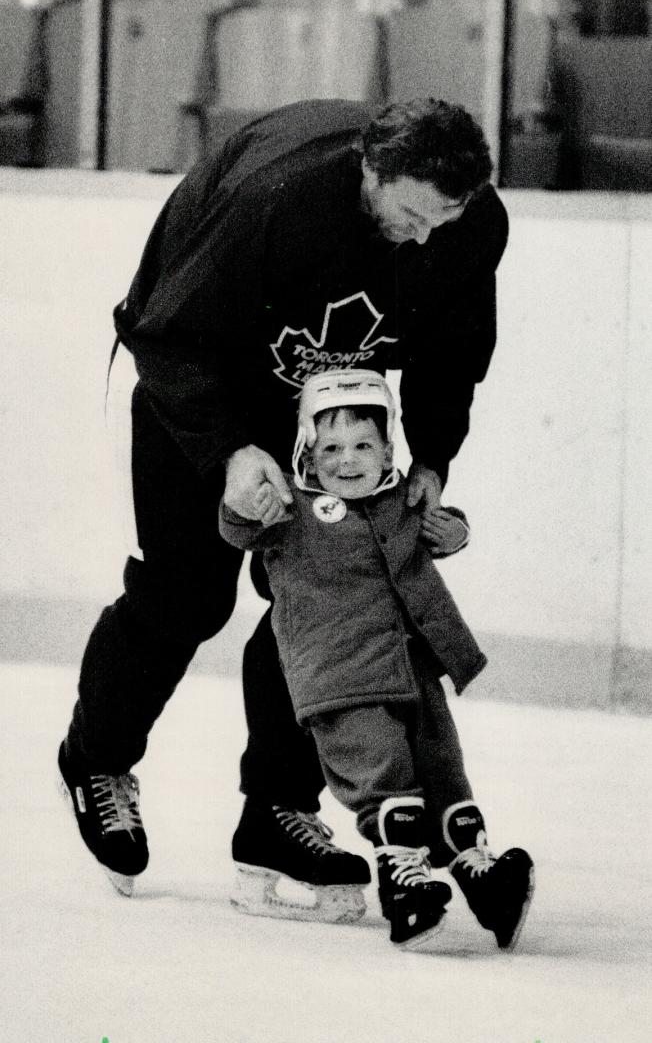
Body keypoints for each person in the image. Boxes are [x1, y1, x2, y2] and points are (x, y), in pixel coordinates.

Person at [57, 96, 508, 914]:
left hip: (324, 414)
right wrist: (229, 451)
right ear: (372, 170)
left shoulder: (467, 222)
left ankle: (276, 811)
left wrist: (435, 457)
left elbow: (453, 351)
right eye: (409, 215)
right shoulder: (273, 198)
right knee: (186, 594)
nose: (425, 239)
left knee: (325, 605)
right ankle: (96, 759)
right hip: (198, 384)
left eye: (443, 219)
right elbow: (164, 332)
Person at [219, 369, 534, 950]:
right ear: (305, 454)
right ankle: (406, 892)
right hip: (340, 679)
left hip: (412, 673)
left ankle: (482, 879)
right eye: (330, 448)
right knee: (386, 782)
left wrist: (453, 531)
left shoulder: (398, 500)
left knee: (445, 774)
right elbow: (237, 529)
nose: (347, 461)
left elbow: (441, 529)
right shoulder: (293, 510)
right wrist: (247, 506)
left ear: (389, 450)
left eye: (364, 445)